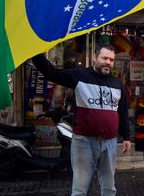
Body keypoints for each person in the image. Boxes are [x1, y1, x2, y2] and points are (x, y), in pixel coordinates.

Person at [32, 44, 131, 196]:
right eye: (104, 58)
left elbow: (123, 111)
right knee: (79, 189)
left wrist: (126, 136)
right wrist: (35, 53)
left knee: (109, 188)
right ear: (95, 57)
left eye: (111, 60)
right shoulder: (80, 76)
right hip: (84, 142)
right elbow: (51, 73)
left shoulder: (117, 83)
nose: (108, 62)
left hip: (109, 142)